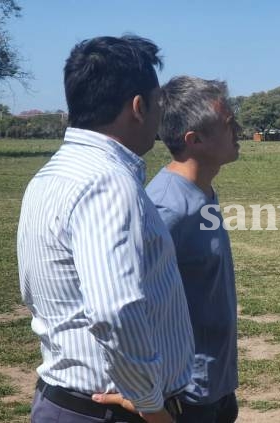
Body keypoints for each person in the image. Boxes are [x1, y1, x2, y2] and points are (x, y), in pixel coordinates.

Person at [17, 35, 193, 423]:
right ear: (137, 107)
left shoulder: (50, 175)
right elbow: (115, 309)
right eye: (159, 104)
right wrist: (151, 405)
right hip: (112, 412)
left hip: (64, 402)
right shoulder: (108, 182)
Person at [146, 76, 241, 422]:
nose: (238, 130)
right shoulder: (166, 209)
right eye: (229, 124)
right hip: (185, 395)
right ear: (194, 139)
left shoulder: (203, 192)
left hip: (217, 384)